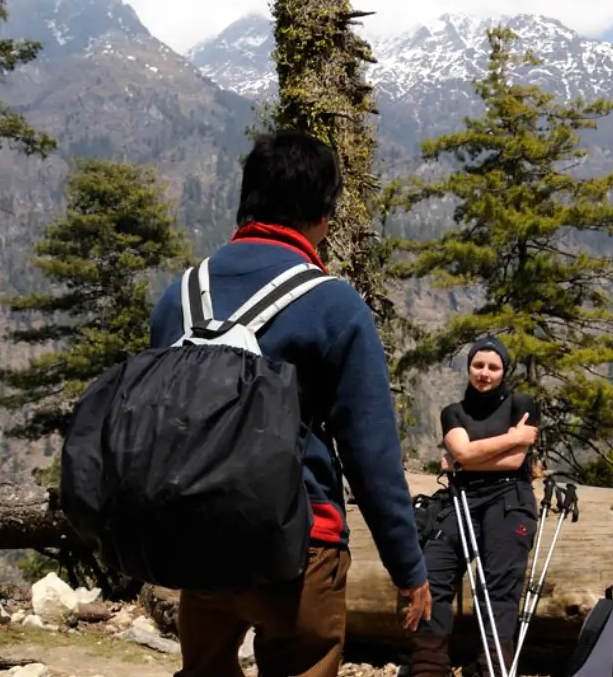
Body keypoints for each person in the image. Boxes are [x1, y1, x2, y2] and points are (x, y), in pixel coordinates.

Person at [150, 129, 432, 677]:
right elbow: (371, 455)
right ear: (324, 215)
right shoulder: (333, 303)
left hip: (200, 543)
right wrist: (409, 568)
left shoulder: (180, 295)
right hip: (301, 546)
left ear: (246, 200)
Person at [410, 336, 541, 677]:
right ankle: (429, 665)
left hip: (509, 498)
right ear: (469, 368)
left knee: (499, 584)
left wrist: (462, 459)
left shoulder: (522, 403)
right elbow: (468, 454)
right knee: (432, 572)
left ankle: (492, 668)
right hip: (460, 500)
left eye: (493, 367)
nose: (484, 373)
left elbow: (513, 463)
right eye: (478, 365)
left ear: (503, 371)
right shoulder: (453, 412)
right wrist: (514, 437)